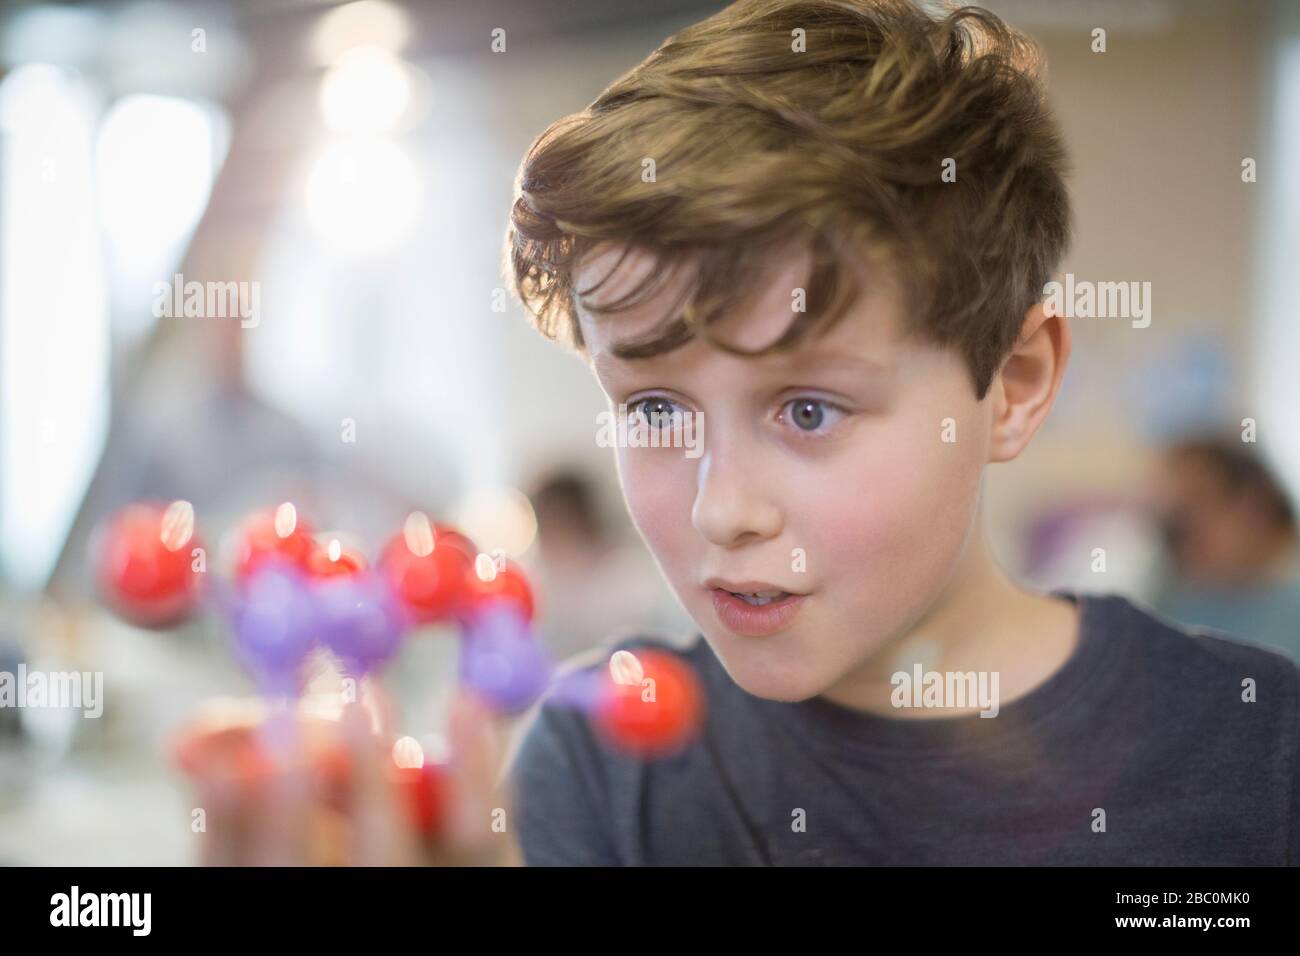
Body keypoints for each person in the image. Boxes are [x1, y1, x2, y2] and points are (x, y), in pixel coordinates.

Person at [501, 0, 1300, 865]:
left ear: (1016, 385)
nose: (720, 510)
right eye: (656, 409)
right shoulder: (605, 768)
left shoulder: (1263, 754)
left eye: (808, 410)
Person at [1149, 436, 1300, 661]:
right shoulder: (1176, 601)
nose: (1184, 537)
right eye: (1173, 520)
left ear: (1253, 502)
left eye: (1198, 506)